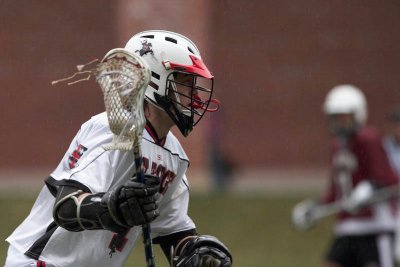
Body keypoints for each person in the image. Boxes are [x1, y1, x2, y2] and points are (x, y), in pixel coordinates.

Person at [4, 30, 232, 267]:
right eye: (185, 82)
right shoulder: (114, 130)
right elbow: (67, 208)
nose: (194, 93)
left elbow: (172, 232)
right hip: (43, 261)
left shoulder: (175, 157)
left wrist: (195, 254)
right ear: (155, 79)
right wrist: (112, 207)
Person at [293, 85, 398, 267]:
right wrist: (314, 208)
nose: (339, 123)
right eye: (335, 118)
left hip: (375, 228)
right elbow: (336, 192)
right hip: (347, 228)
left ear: (358, 115)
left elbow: (387, 180)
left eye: (344, 118)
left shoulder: (369, 139)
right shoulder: (338, 146)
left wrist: (368, 190)